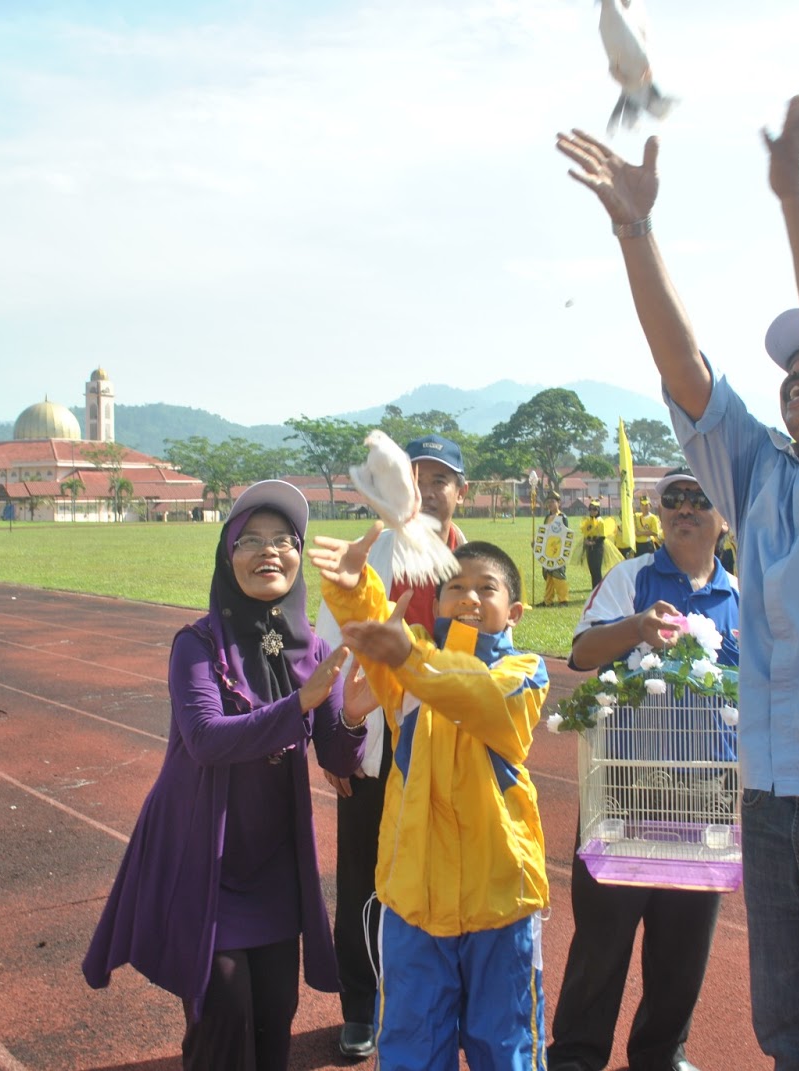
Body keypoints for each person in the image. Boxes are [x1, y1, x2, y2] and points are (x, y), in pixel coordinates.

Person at [558, 76, 799, 1069]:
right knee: (793, 1041)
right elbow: (687, 371)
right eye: (788, 363)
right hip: (773, 807)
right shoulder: (756, 481)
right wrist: (636, 235)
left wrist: (792, 198)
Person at [82, 480, 367, 1071]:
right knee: (225, 1013)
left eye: (284, 540)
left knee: (274, 1016)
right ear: (227, 554)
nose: (270, 552)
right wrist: (300, 705)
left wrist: (355, 714)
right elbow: (206, 740)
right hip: (204, 855)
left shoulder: (312, 649)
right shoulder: (196, 645)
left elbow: (336, 758)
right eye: (251, 540)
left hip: (274, 862)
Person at [312, 528, 551, 1070]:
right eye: (454, 587)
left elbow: (480, 698)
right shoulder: (407, 665)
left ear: (512, 611)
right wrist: (353, 591)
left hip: (500, 899)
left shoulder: (523, 671)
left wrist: (411, 656)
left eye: (485, 588)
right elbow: (379, 641)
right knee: (411, 1046)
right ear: (435, 602)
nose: (468, 596)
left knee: (506, 1046)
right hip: (414, 898)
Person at [548, 468, 739, 1071]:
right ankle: (577, 1055)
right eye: (673, 500)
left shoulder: (744, 595)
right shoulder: (630, 579)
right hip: (623, 782)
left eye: (700, 499)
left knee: (684, 938)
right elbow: (580, 653)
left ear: (725, 517)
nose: (684, 509)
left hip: (706, 784)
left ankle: (661, 1052)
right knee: (603, 934)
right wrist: (634, 629)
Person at [313, 433, 470, 1060]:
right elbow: (330, 658)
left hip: (453, 758)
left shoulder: (474, 563)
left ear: (462, 491)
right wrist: (338, 743)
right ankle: (360, 1008)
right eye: (417, 477)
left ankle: (438, 1001)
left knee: (449, 883)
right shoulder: (369, 558)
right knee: (363, 882)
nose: (428, 491)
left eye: (441, 480)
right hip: (378, 755)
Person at [539, 492, 573, 606]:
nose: (550, 504)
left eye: (553, 502)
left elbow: (565, 534)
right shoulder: (547, 517)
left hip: (558, 550)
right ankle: (548, 600)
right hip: (547, 550)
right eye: (549, 502)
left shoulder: (562, 517)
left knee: (558, 575)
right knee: (548, 575)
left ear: (558, 503)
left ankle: (563, 599)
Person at [581, 500, 609, 590]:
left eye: (595, 509)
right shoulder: (588, 521)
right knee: (592, 570)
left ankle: (599, 589)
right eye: (590, 509)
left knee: (597, 570)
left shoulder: (600, 521)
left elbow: (602, 536)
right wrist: (586, 541)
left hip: (597, 548)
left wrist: (593, 543)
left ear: (598, 510)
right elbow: (585, 533)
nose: (592, 511)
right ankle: (594, 589)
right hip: (589, 548)